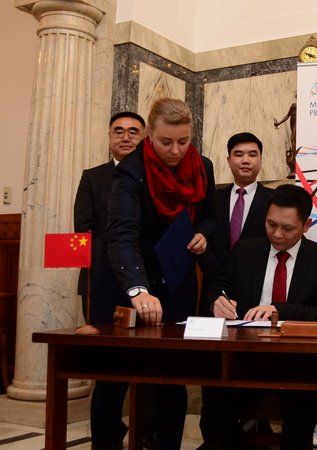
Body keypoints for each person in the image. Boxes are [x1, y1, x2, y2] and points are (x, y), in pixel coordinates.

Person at [102, 98, 216, 450]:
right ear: (149, 135)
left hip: (177, 283)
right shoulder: (130, 171)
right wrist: (138, 289)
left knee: (171, 376)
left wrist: (203, 234)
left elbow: (210, 216)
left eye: (183, 141)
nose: (176, 151)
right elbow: (122, 235)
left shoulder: (203, 166)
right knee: (114, 376)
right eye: (166, 142)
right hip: (133, 284)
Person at [197, 184, 317, 450]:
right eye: (271, 224)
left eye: (287, 228)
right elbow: (216, 288)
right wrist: (216, 303)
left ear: (306, 226)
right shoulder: (245, 251)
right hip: (245, 358)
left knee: (300, 419)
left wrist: (280, 310)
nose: (277, 234)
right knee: (214, 405)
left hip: (296, 365)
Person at [74, 111, 146, 325]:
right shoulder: (92, 177)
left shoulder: (153, 175)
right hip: (101, 278)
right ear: (109, 136)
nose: (126, 138)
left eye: (133, 132)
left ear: (145, 137)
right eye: (119, 132)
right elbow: (83, 229)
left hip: (144, 278)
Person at [200, 131, 273, 307]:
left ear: (261, 160)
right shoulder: (212, 199)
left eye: (252, 155)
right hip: (215, 289)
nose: (245, 160)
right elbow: (203, 240)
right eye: (239, 154)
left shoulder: (274, 200)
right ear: (228, 160)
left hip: (257, 289)